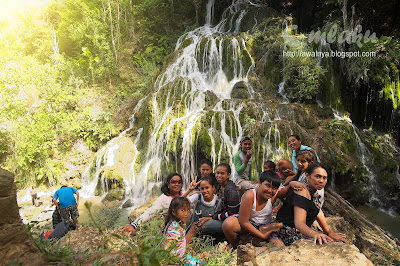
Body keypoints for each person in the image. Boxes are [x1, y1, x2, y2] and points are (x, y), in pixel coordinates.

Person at [276, 163, 347, 246]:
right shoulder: (302, 190)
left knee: (330, 239)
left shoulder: (313, 191)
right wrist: (315, 234)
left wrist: (328, 232)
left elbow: (318, 211)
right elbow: (299, 223)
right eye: (317, 176)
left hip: (303, 228)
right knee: (324, 243)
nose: (321, 180)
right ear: (307, 176)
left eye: (324, 178)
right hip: (288, 229)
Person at [222, 171, 285, 248]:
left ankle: (248, 240)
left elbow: (287, 189)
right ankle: (235, 245)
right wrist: (262, 236)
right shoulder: (250, 195)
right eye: (267, 185)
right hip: (248, 224)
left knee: (279, 245)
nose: (270, 190)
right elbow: (243, 222)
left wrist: (293, 184)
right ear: (259, 183)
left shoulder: (273, 196)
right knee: (228, 224)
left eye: (274, 188)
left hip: (265, 227)